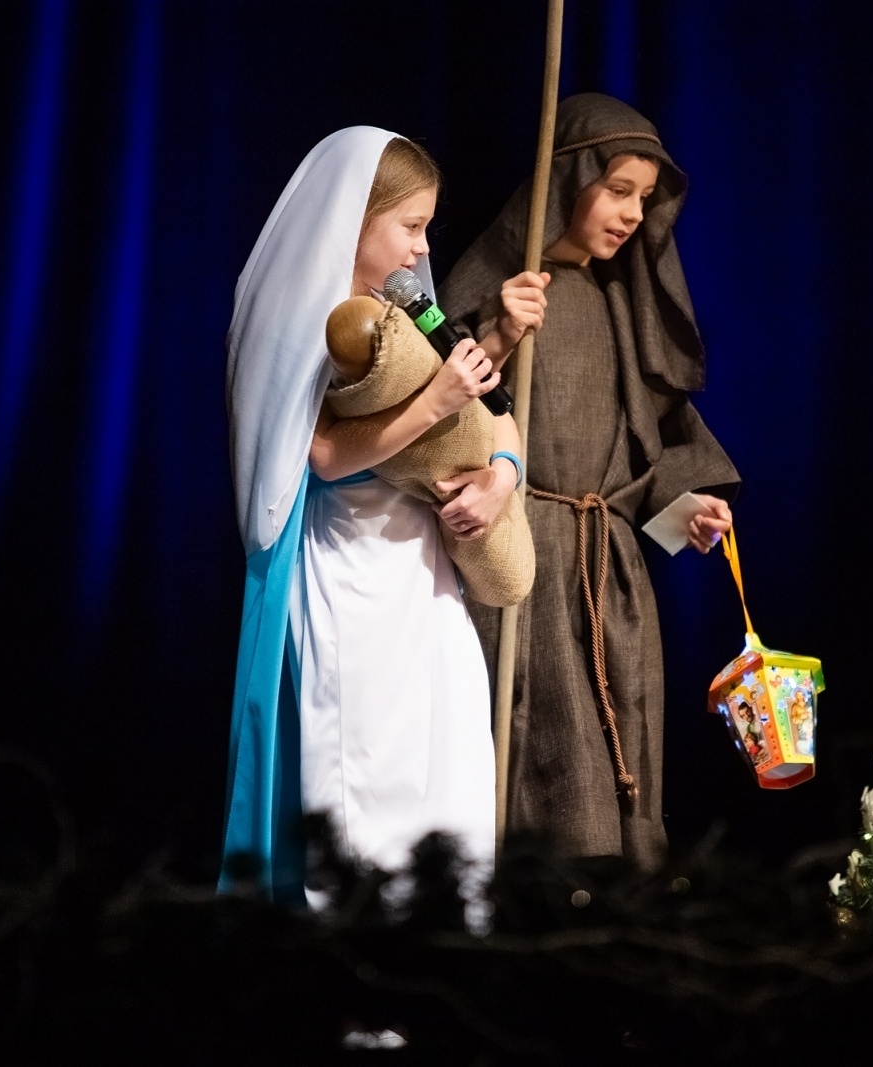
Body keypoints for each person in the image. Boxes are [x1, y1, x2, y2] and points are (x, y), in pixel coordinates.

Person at [220, 129, 547, 904]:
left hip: (425, 574)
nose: (420, 248)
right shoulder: (314, 319)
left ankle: (443, 962)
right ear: (355, 220)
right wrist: (436, 401)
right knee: (369, 774)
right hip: (352, 571)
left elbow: (493, 409)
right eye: (409, 227)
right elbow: (325, 456)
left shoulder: (414, 313)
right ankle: (362, 989)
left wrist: (502, 476)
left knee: (452, 759)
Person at [441, 94, 739, 868]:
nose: (634, 213)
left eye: (644, 197)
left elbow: (640, 459)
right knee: (542, 755)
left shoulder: (618, 302)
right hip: (524, 561)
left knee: (621, 757)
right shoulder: (500, 288)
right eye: (618, 190)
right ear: (568, 181)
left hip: (606, 574)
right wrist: (501, 334)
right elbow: (442, 420)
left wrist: (686, 512)